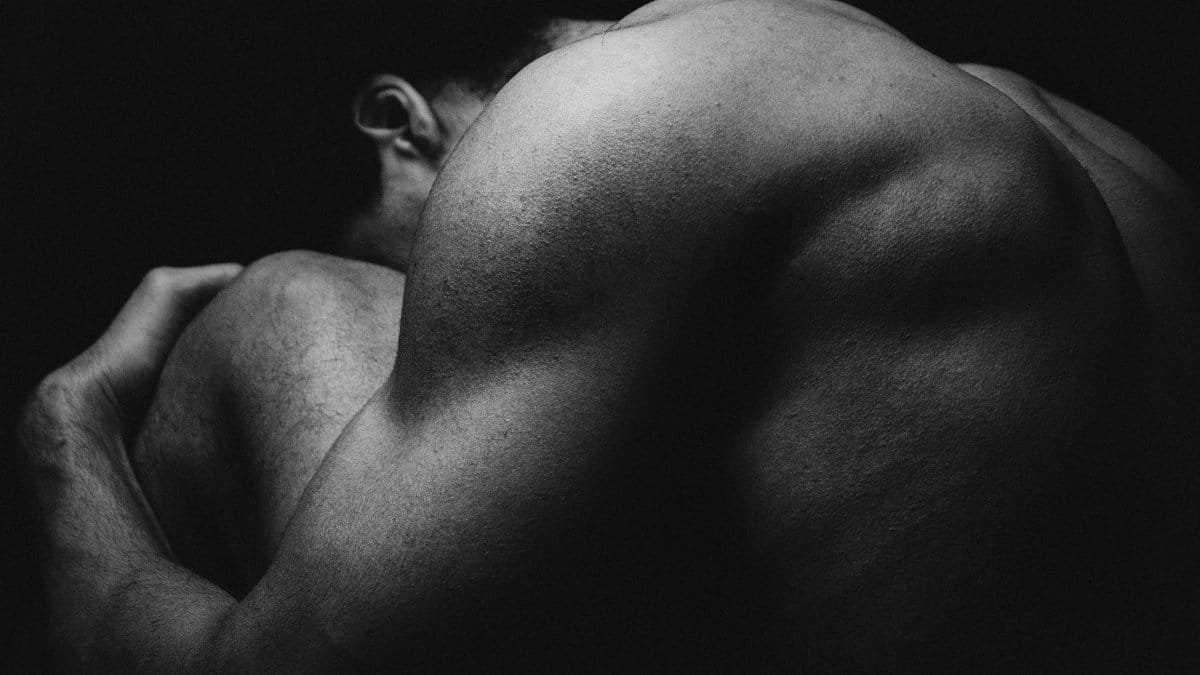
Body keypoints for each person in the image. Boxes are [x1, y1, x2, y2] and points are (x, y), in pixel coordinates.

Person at [19, 0, 1198, 669]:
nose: (428, 321)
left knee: (274, 301)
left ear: (399, 124)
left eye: (411, 273)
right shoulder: (1093, 156)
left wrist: (65, 432)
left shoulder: (609, 119)